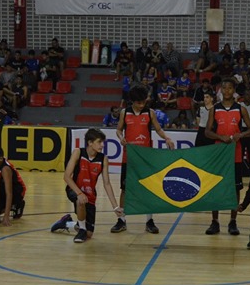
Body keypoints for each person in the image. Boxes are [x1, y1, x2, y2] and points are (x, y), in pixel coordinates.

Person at [114, 86, 175, 234]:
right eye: (139, 103)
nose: (142, 105)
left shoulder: (150, 112)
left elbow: (158, 129)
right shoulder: (124, 112)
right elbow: (118, 130)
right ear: (132, 101)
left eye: (144, 102)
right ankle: (121, 220)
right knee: (125, 189)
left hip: (145, 157)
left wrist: (166, 138)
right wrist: (121, 138)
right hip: (129, 157)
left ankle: (149, 221)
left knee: (148, 187)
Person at [50, 128, 122, 243]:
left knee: (90, 234)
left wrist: (115, 207)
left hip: (90, 195)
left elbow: (107, 183)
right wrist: (79, 193)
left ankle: (66, 223)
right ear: (90, 142)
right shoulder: (78, 152)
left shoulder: (103, 158)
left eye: (103, 142)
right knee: (81, 201)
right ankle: (81, 230)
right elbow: (67, 176)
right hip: (74, 189)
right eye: (99, 142)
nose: (102, 145)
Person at [205, 79, 250, 235]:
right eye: (224, 88)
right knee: (216, 186)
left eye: (229, 88)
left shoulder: (241, 109)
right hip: (218, 154)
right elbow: (207, 132)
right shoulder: (214, 109)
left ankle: (233, 221)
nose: (226, 91)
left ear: (234, 90)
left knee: (235, 188)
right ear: (220, 90)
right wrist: (220, 137)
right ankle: (214, 221)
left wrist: (241, 135)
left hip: (235, 153)